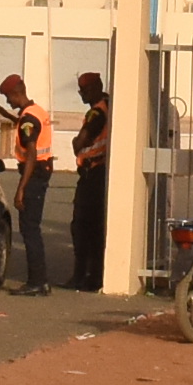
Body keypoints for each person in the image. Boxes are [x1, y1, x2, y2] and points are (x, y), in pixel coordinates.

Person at [0, 71, 53, 294]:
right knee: (32, 228)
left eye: (8, 97)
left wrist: (20, 189)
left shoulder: (28, 119)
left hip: (33, 175)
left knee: (30, 230)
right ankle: (40, 281)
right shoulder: (35, 111)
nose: (8, 101)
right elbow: (24, 124)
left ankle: (37, 282)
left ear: (16, 93)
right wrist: (5, 113)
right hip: (41, 172)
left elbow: (31, 154)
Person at [68, 67, 113, 292]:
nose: (81, 94)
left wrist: (76, 144)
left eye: (84, 90)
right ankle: (89, 275)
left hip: (93, 173)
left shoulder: (97, 112)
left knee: (83, 227)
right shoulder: (107, 105)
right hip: (98, 172)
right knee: (93, 228)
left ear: (96, 88)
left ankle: (83, 276)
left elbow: (80, 143)